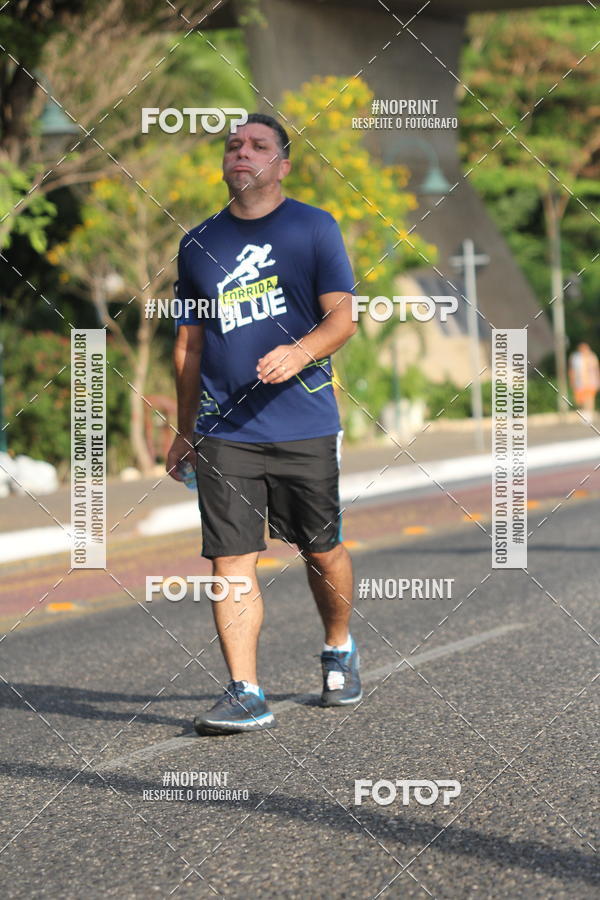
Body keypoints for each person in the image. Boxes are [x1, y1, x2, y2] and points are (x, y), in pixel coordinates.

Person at [166, 113, 360, 735]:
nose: (241, 153)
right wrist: (185, 426)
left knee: (320, 549)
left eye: (257, 145)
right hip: (226, 430)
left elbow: (343, 320)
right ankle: (246, 690)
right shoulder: (198, 244)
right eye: (232, 146)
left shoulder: (314, 228)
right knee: (231, 560)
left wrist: (300, 352)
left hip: (303, 421)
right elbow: (189, 346)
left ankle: (338, 645)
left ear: (282, 164)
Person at [568, 342, 600, 421]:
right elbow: (572, 370)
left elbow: (596, 369)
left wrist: (598, 380)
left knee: (589, 398)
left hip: (590, 382)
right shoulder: (575, 358)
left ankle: (588, 415)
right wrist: (572, 380)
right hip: (579, 382)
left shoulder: (592, 357)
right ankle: (584, 413)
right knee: (580, 400)